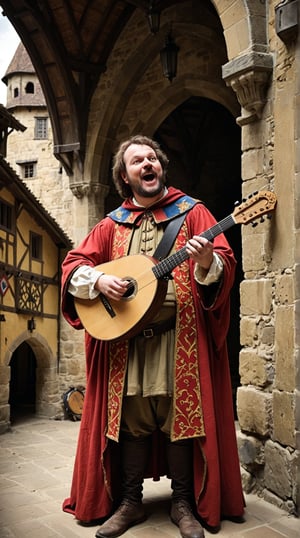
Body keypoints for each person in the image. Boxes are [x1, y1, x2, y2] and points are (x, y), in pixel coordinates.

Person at [61, 135, 245, 538]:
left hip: (180, 337)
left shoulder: (193, 212)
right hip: (126, 342)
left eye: (152, 159)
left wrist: (206, 262)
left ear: (161, 167)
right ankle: (130, 503)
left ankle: (183, 504)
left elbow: (223, 261)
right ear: (125, 177)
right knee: (132, 418)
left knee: (178, 418)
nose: (147, 164)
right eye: (137, 161)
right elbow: (73, 265)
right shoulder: (111, 223)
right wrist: (100, 279)